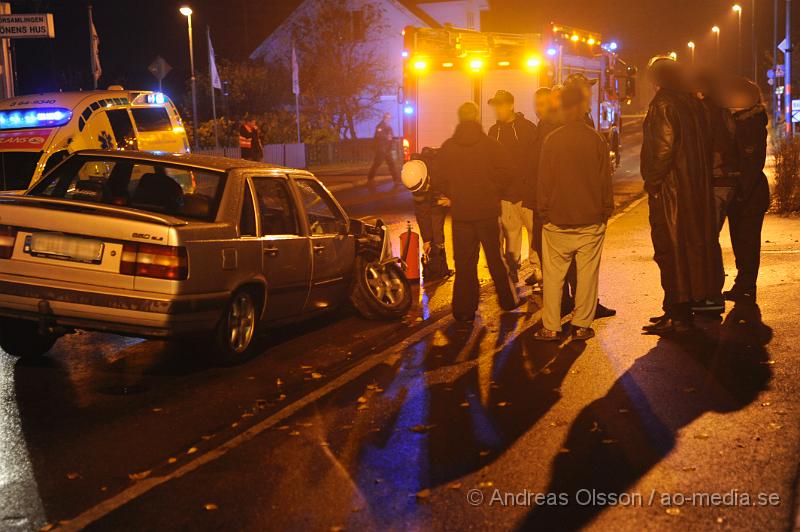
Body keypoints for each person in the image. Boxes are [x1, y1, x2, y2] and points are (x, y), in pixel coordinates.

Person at [640, 57, 722, 334]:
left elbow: (663, 149)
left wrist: (652, 183)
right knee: (690, 249)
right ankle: (676, 311)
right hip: (694, 188)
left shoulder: (663, 104)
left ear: (657, 79)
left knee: (670, 250)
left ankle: (679, 316)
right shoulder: (692, 103)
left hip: (672, 190)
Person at [533, 85, 613, 341]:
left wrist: (544, 213)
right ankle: (581, 325)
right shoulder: (595, 139)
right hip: (590, 219)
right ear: (580, 108)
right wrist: (605, 211)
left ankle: (551, 327)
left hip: (557, 220)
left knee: (554, 277)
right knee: (587, 275)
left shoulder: (552, 140)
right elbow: (604, 181)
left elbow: (544, 182)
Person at [432, 102, 522, 323]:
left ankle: (463, 310)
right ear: (476, 117)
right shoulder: (490, 145)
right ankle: (508, 301)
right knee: (495, 258)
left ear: (460, 118)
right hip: (487, 212)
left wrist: (453, 193)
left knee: (464, 263)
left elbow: (438, 177)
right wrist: (493, 189)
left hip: (462, 214)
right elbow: (508, 171)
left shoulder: (449, 147)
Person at [693, 72, 740, 313]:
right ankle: (711, 293)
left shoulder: (704, 112)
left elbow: (705, 148)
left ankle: (711, 295)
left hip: (715, 179)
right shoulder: (722, 111)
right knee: (709, 237)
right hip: (726, 178)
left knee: (706, 238)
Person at [724, 78, 770, 303]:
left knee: (747, 242)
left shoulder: (750, 124)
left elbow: (752, 162)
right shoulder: (742, 120)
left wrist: (742, 192)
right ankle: (743, 284)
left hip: (749, 194)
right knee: (740, 242)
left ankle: (747, 286)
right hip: (743, 193)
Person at [487, 90, 538, 283]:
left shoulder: (527, 128)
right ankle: (512, 269)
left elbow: (535, 159)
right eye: (495, 106)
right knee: (511, 235)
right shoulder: (494, 131)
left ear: (511, 105)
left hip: (526, 193)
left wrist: (531, 185)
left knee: (534, 233)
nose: (498, 110)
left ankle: (537, 269)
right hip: (506, 195)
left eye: (501, 105)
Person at [522, 86, 559, 287]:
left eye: (542, 104)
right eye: (536, 104)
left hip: (546, 203)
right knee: (543, 245)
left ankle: (556, 295)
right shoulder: (543, 126)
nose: (538, 109)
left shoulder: (550, 129)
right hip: (539, 200)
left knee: (548, 248)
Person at [401, 148, 453, 283]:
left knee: (437, 227)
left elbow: (462, 184)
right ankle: (440, 267)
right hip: (435, 194)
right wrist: (426, 240)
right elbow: (421, 213)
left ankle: (442, 266)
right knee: (432, 236)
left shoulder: (442, 170)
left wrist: (453, 200)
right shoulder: (414, 177)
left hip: (443, 193)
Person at [367, 113, 400, 185]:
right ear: (384, 118)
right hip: (381, 149)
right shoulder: (380, 126)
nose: (388, 119)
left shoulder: (389, 127)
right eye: (387, 118)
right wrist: (387, 137)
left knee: (391, 164)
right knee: (376, 164)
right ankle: (370, 179)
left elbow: (390, 137)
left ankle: (396, 179)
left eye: (389, 118)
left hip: (387, 149)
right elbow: (378, 135)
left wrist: (395, 139)